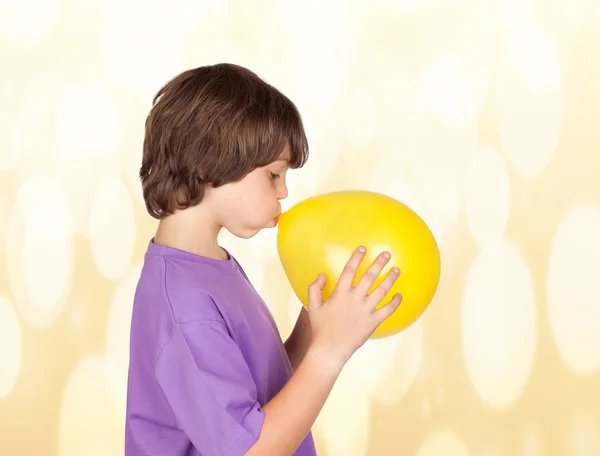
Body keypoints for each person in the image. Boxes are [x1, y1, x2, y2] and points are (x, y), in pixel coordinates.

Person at [124, 63, 403, 456]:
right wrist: (330, 351)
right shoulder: (184, 303)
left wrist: (314, 329)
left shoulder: (210, 266)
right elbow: (249, 450)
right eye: (273, 174)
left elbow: (255, 391)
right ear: (209, 164)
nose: (284, 191)